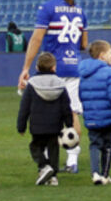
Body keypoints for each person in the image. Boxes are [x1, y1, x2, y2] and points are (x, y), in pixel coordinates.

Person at [18, 0, 88, 174]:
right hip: (75, 66)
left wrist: (25, 68)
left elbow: (36, 39)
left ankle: (47, 158)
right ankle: (72, 159)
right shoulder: (79, 9)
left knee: (48, 111)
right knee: (72, 112)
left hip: (53, 68)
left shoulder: (47, 8)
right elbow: (84, 43)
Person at [17, 52, 73, 186]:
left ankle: (44, 166)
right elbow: (66, 106)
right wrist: (69, 124)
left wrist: (21, 126)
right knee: (53, 149)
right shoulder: (60, 84)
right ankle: (53, 177)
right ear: (54, 68)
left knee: (35, 147)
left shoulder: (32, 84)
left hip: (37, 125)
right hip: (55, 125)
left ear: (37, 67)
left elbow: (24, 107)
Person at [78, 40, 111, 185]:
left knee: (94, 144)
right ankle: (105, 175)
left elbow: (81, 94)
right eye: (110, 53)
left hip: (91, 116)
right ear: (102, 55)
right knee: (107, 146)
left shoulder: (83, 73)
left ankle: (95, 173)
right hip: (107, 116)